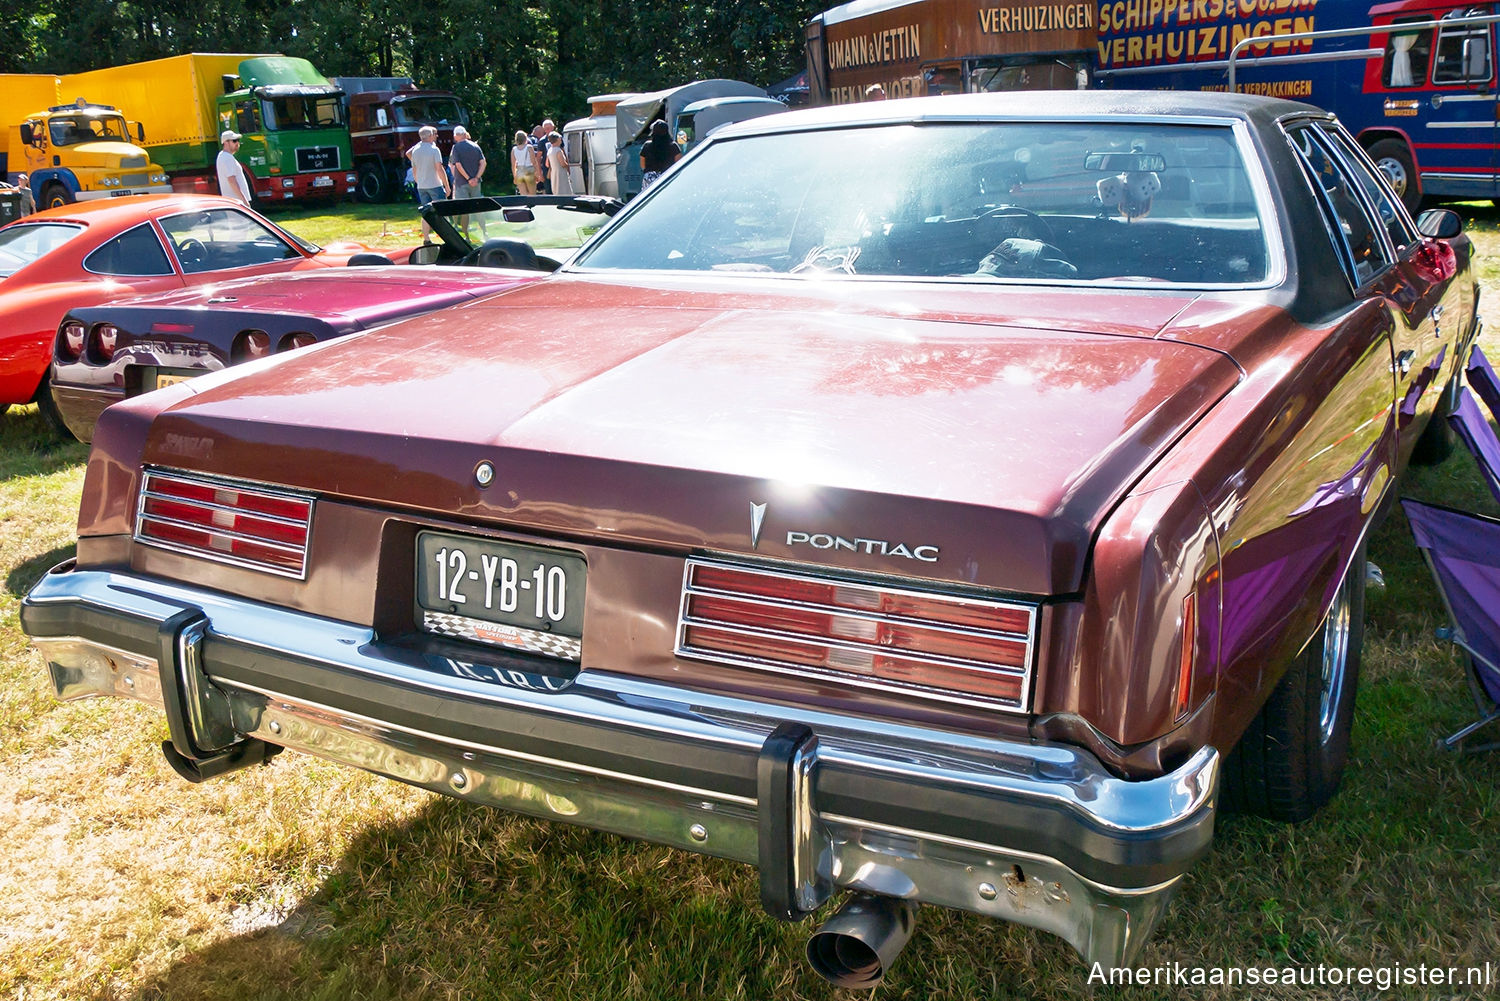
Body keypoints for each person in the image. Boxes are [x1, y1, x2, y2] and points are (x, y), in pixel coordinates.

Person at [405, 125, 450, 242]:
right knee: (442, 210)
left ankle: (426, 238)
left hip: (422, 186)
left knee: (425, 213)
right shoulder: (434, 150)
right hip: (435, 184)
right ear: (430, 136)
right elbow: (439, 168)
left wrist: (417, 180)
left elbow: (414, 168)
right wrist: (446, 185)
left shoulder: (415, 150)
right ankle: (448, 237)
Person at [639, 119, 680, 190]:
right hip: (668, 177)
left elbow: (642, 165)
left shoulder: (646, 146)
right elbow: (679, 163)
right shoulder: (673, 146)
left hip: (650, 179)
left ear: (653, 132)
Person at [216, 130, 252, 204]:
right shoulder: (227, 157)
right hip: (237, 202)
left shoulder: (223, 156)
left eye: (238, 140)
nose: (237, 143)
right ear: (226, 142)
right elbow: (231, 180)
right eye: (234, 141)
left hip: (234, 202)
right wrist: (244, 201)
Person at [511, 130, 537, 195]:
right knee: (532, 193)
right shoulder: (529, 147)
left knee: (523, 193)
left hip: (519, 171)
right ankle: (531, 204)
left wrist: (515, 176)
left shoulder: (514, 149)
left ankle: (526, 204)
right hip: (529, 170)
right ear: (525, 138)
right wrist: (537, 173)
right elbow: (534, 162)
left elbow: (513, 164)